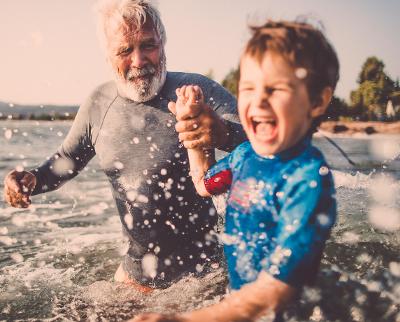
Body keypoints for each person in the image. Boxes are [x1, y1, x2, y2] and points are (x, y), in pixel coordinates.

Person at [3, 0, 245, 291]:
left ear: (163, 44)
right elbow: (66, 160)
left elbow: (264, 141)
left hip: (207, 279)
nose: (139, 60)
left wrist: (221, 133)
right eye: (125, 50)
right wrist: (32, 179)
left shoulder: (197, 92)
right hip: (135, 281)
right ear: (108, 56)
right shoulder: (98, 105)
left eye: (148, 46)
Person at [132, 19, 339, 321]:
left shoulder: (307, 179)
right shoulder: (243, 157)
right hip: (237, 306)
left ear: (318, 100)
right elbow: (203, 184)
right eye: (249, 88)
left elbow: (278, 289)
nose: (259, 101)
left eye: (276, 89)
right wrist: (192, 133)